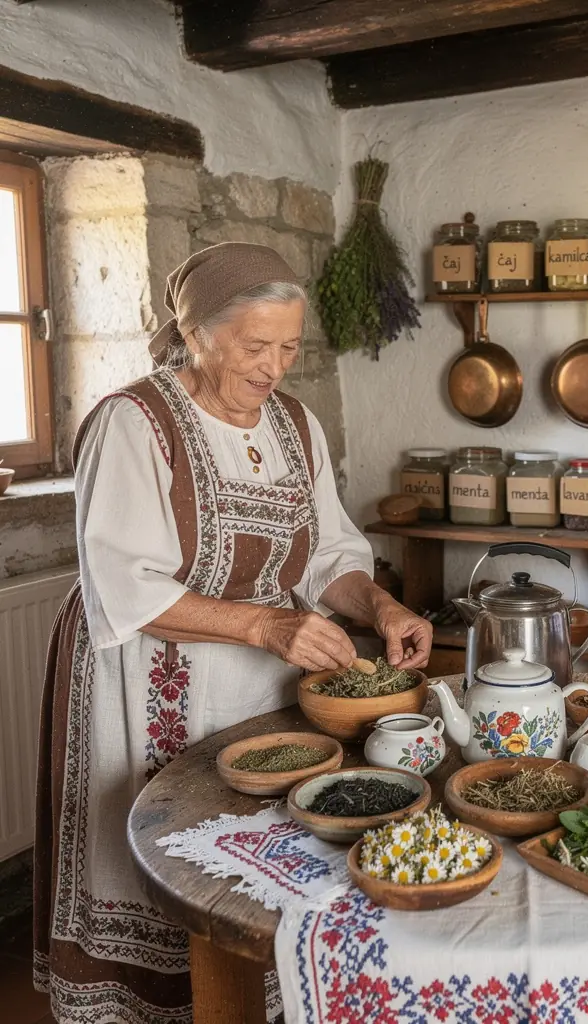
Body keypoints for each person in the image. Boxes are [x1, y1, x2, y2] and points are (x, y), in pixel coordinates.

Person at [33, 243, 433, 1024]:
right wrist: (266, 622)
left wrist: (380, 606)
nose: (274, 367)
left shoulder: (292, 423)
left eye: (288, 347)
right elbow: (126, 582)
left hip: (258, 682)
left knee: (249, 861)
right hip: (143, 681)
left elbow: (327, 555)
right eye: (256, 347)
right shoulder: (133, 422)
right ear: (197, 334)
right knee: (157, 858)